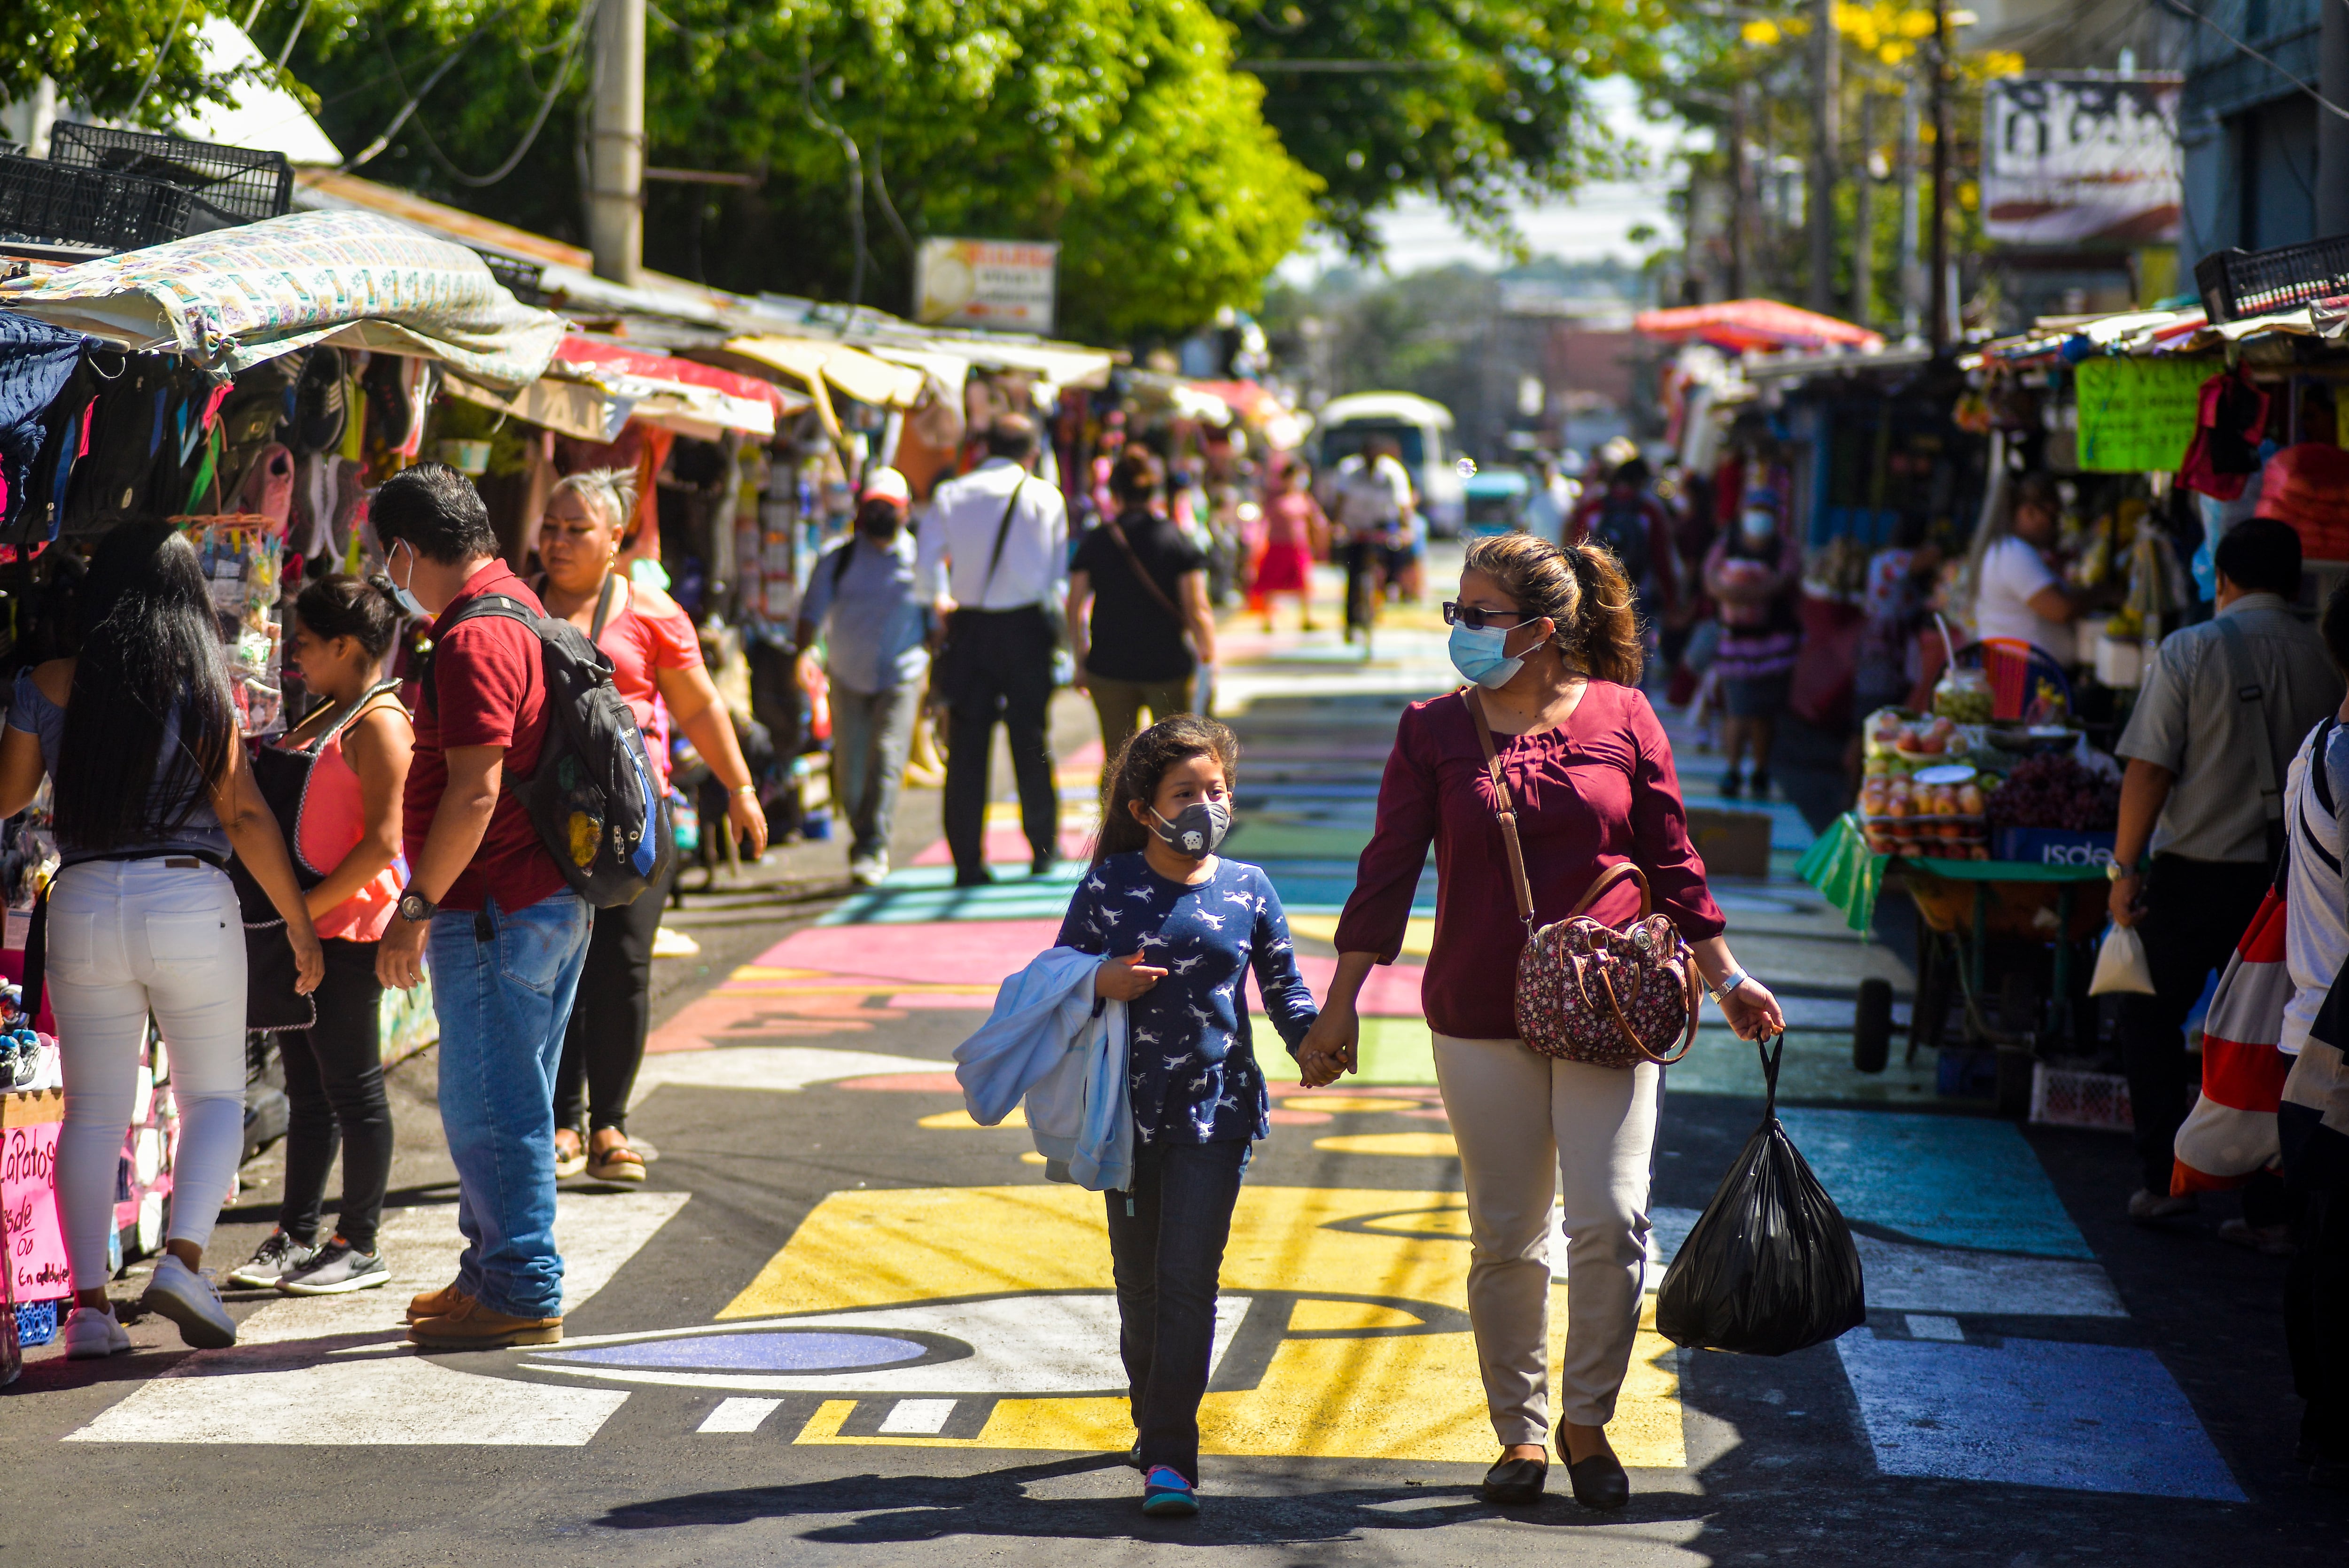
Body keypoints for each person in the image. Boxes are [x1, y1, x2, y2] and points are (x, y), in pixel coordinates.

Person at [1297, 531, 1785, 1512]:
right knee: (1508, 1235)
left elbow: (1675, 858)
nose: (1459, 631)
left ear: (1542, 629)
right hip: (1477, 1011)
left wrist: (1725, 975)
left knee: (1611, 1220)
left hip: (1615, 1008)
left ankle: (1587, 1420)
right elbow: (1386, 871)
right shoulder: (1431, 729)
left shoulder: (1624, 715)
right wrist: (1338, 1003)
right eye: (1455, 613)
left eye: (1475, 615)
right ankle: (1519, 1431)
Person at [0, 521, 324, 1358]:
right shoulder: (204, 685)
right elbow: (246, 812)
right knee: (213, 1095)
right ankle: (183, 1259)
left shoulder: (50, 682)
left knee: (92, 1112)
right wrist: (297, 918)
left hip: (82, 900)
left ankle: (90, 1313)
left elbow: (8, 795)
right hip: (189, 896)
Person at [1057, 714, 1318, 1515]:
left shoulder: (1250, 886)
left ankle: (1172, 1451)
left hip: (1220, 1111)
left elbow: (1285, 987)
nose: (1209, 803)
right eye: (1187, 791)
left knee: (1187, 1278)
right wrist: (1104, 978)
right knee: (1138, 1277)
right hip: (1124, 1114)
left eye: (1217, 788)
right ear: (1145, 810)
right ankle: (1154, 1414)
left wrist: (1315, 1041)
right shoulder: (1110, 884)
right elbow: (1058, 972)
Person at [372, 462, 594, 1350]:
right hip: (541, 896)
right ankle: (489, 1271)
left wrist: (416, 904)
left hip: (498, 902)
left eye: (383, 557)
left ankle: (519, 1282)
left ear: (404, 550)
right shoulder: (520, 608)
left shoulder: (472, 640)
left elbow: (473, 793)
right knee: (508, 1099)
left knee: (493, 1108)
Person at [537, 468, 768, 1182]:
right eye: (550, 527)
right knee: (553, 970)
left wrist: (742, 789)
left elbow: (700, 708)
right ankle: (562, 1124)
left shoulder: (654, 613)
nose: (559, 542)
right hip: (543, 820)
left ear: (614, 542)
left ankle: (610, 1123)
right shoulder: (514, 607)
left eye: (577, 530)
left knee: (622, 967)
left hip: (635, 819)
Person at [2111, 518, 2342, 1222]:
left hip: (2194, 875)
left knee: (2147, 1014)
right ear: (2296, 582)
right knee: (2280, 1034)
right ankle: (2270, 1211)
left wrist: (2124, 869)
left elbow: (2150, 770)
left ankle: (2165, 1178)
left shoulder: (2189, 649)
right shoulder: (2326, 654)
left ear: (2224, 579)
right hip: (2293, 882)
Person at [225, 574, 414, 1296]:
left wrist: (302, 913)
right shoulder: (326, 714)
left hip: (345, 931)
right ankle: (298, 1232)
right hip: (303, 925)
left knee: (354, 1088)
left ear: (344, 644)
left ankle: (358, 1242)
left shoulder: (380, 724)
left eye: (305, 642)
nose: (294, 654)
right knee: (307, 1089)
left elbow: (383, 845)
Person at [918, 412, 1069, 886]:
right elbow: (1054, 575)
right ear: (1031, 450)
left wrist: (941, 600)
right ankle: (1043, 850)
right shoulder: (1046, 495)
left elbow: (925, 566)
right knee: (1032, 739)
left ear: (983, 447)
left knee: (965, 747)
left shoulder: (952, 493)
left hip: (970, 628)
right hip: (1025, 626)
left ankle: (967, 860)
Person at [796, 466, 932, 889]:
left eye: (887, 508)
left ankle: (873, 847)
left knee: (889, 759)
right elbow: (810, 614)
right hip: (847, 676)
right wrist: (804, 653)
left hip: (901, 676)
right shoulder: (839, 560)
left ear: (905, 511)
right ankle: (863, 831)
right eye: (872, 507)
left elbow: (936, 621)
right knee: (851, 775)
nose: (879, 515)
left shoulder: (922, 560)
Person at [1068, 450, 1217, 761]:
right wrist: (1208, 659)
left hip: (1108, 666)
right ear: (1154, 492)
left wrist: (1080, 658)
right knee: (1175, 759)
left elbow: (1075, 604)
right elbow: (1197, 607)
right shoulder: (1175, 538)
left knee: (1117, 761)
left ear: (1114, 493)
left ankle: (1119, 811)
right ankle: (1169, 812)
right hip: (1167, 665)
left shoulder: (1096, 540)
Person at [1702, 492, 1803, 800]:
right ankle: (1732, 770)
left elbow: (1785, 581)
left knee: (1764, 714)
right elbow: (1710, 579)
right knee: (1738, 710)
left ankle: (1760, 770)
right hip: (1735, 644)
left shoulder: (1785, 549)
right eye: (1754, 510)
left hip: (1775, 647)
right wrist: (1729, 593)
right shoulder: (1726, 543)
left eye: (1765, 511)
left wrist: (1745, 594)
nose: (1759, 517)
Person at [1967, 473, 2083, 661]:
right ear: (2029, 512)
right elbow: (2061, 610)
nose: (2056, 527)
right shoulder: (2013, 553)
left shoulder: (2006, 550)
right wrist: (2100, 594)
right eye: (2052, 517)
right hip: (2022, 677)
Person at [1568, 457, 1680, 630]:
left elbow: (1577, 551)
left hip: (1598, 593)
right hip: (1638, 594)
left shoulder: (1594, 508)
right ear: (1641, 481)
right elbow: (1661, 558)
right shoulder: (1648, 511)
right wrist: (1671, 600)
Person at [1327, 436, 1415, 646]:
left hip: (1382, 525)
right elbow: (1340, 499)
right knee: (1354, 574)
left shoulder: (1392, 472)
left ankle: (1391, 587)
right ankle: (1351, 623)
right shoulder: (1349, 470)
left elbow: (1404, 505)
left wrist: (1406, 529)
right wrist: (1338, 525)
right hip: (1355, 526)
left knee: (1398, 553)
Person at [1249, 460, 1325, 631]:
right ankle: (1268, 620)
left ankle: (1307, 618)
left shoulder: (1304, 498)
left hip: (1298, 546)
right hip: (1277, 545)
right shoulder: (1274, 498)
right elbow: (1262, 522)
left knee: (1303, 582)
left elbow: (1317, 520)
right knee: (1271, 583)